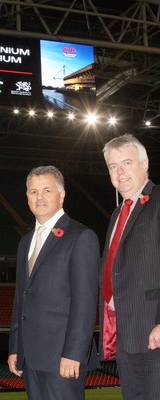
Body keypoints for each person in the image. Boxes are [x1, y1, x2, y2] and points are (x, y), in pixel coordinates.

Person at [8, 165, 100, 400]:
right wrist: (15, 348)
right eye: (33, 191)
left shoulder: (81, 236)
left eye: (47, 190)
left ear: (61, 195)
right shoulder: (25, 243)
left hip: (63, 359)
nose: (39, 197)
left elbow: (85, 302)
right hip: (30, 358)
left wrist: (74, 353)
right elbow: (21, 299)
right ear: (27, 197)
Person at [99, 134, 160, 400]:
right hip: (126, 332)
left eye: (126, 163)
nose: (119, 172)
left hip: (153, 332)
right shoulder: (117, 213)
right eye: (113, 166)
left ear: (145, 164)